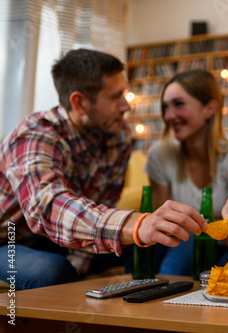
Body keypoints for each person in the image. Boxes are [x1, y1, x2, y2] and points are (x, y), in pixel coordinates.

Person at [0, 49, 207, 290]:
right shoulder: (34, 137)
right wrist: (136, 225)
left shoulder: (118, 135)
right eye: (115, 97)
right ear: (80, 103)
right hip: (10, 241)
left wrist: (81, 260)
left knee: (162, 245)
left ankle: (142, 315)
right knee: (51, 270)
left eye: (125, 94)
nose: (126, 106)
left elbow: (102, 201)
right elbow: (48, 208)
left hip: (66, 242)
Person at [143, 69, 228, 276]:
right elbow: (161, 222)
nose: (169, 116)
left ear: (209, 108)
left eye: (179, 104)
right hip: (176, 247)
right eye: (165, 107)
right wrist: (216, 231)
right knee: (187, 243)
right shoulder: (159, 155)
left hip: (222, 248)